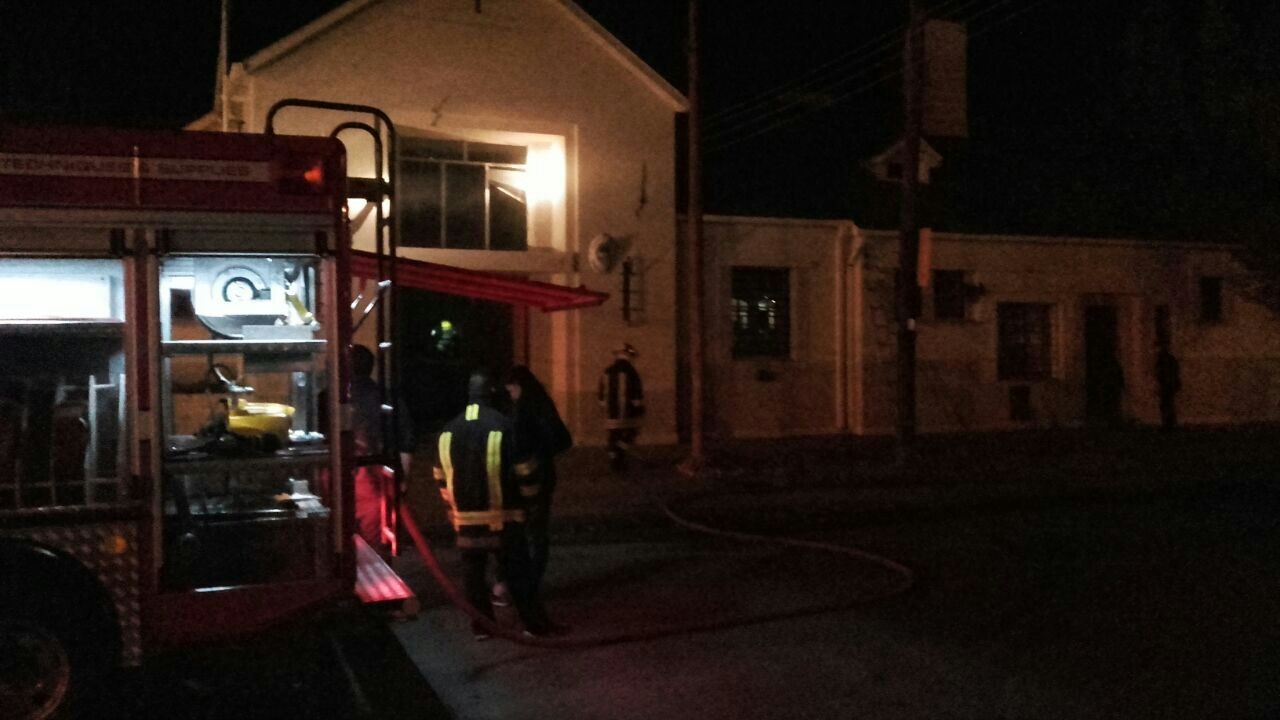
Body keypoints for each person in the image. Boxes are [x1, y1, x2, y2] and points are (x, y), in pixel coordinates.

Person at [433, 369, 552, 639]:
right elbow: (526, 472)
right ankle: (535, 625)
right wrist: (532, 502)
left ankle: (483, 627)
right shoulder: (505, 425)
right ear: (491, 395)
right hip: (505, 518)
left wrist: (454, 511)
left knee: (473, 576)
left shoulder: (448, 431)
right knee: (518, 574)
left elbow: (440, 476)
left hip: (465, 521)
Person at [503, 365, 573, 620]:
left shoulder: (529, 408)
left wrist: (537, 456)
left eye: (511, 389)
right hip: (531, 478)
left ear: (518, 386)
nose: (510, 394)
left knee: (534, 533)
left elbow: (560, 439)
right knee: (530, 532)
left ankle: (529, 586)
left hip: (535, 480)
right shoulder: (536, 405)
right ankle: (526, 584)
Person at [349, 344, 414, 560]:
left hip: (339, 486)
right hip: (378, 487)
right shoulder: (387, 399)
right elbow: (405, 444)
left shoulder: (328, 398)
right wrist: (401, 483)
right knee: (376, 555)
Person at [598, 343, 644, 471]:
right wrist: (639, 408)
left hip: (610, 412)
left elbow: (601, 392)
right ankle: (619, 455)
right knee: (630, 433)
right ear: (628, 355)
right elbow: (636, 392)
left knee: (613, 435)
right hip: (627, 411)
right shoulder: (631, 371)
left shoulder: (607, 371)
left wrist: (603, 405)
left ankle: (614, 457)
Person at [1154, 344, 1181, 431]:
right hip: (1168, 384)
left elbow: (1160, 372)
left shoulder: (1164, 361)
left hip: (1167, 384)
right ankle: (1169, 422)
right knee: (1168, 404)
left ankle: (1168, 422)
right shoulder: (1168, 360)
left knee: (1166, 404)